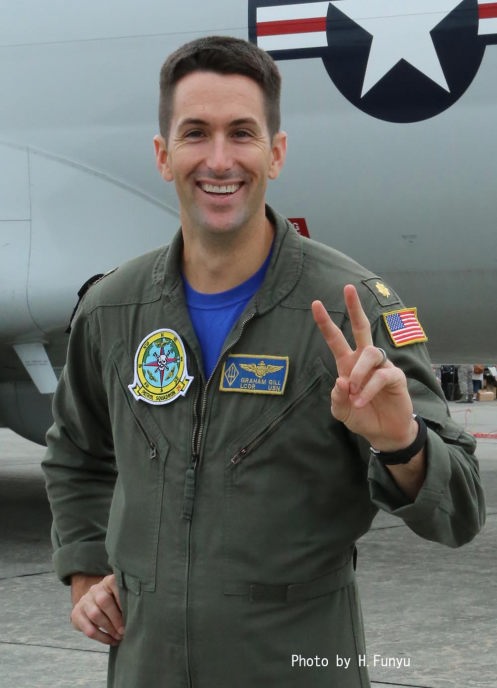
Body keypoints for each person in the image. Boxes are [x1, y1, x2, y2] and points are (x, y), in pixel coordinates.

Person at [42, 36, 485, 688]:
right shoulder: (114, 309)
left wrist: (401, 442)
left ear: (275, 153)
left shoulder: (350, 311)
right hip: (146, 668)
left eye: (242, 133)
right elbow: (78, 454)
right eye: (196, 133)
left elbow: (460, 510)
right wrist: (85, 572)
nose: (219, 159)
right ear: (163, 155)